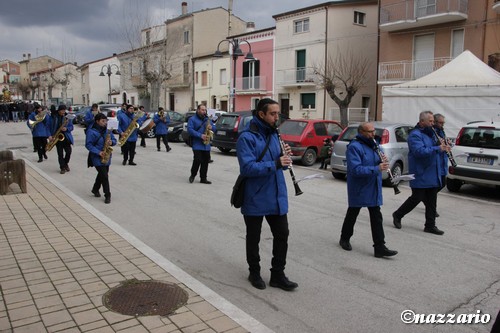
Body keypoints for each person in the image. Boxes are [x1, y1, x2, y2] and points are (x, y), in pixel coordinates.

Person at [236, 98, 298, 291]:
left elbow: (279, 163)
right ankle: (254, 272)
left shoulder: (274, 135)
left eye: (277, 113)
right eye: (272, 114)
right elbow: (247, 168)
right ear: (261, 114)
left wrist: (284, 158)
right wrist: (276, 163)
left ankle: (278, 275)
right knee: (253, 237)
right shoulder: (246, 137)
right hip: (255, 195)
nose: (276, 117)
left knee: (282, 234)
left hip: (276, 195)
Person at [339, 122, 398, 258]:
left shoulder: (374, 145)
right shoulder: (354, 147)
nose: (373, 134)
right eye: (370, 132)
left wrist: (383, 162)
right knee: (352, 213)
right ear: (361, 132)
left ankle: (379, 246)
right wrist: (377, 168)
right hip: (359, 186)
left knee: (376, 216)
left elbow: (377, 161)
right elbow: (355, 170)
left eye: (373, 131)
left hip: (373, 185)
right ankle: (345, 238)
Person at [392, 111, 450, 235]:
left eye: (433, 121)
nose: (432, 123)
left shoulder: (431, 134)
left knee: (432, 200)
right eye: (430, 121)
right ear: (422, 121)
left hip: (433, 171)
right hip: (421, 172)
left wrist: (444, 147)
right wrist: (437, 148)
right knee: (416, 198)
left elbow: (435, 150)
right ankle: (398, 214)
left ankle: (430, 225)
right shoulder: (415, 135)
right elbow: (419, 152)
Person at [85, 113, 117, 204]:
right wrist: (98, 152)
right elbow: (88, 145)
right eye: (103, 121)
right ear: (97, 121)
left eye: (105, 120)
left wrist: (111, 142)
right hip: (96, 156)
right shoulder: (91, 131)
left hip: (107, 155)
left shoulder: (108, 130)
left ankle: (95, 189)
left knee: (102, 174)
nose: (105, 122)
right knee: (105, 176)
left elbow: (114, 140)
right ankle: (107, 195)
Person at [187, 104, 215, 184]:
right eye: (202, 110)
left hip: (206, 145)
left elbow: (215, 128)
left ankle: (203, 178)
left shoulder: (207, 119)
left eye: (205, 110)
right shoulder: (192, 119)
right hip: (197, 144)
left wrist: (211, 127)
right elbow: (190, 130)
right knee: (197, 160)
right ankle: (193, 174)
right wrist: (200, 135)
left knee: (205, 162)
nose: (204, 111)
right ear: (198, 110)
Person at [433, 113, 449, 218]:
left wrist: (447, 145)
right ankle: (432, 208)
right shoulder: (433, 132)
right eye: (440, 123)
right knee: (434, 188)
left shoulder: (441, 131)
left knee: (442, 184)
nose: (442, 125)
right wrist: (439, 146)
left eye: (443, 123)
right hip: (436, 162)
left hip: (443, 161)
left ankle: (427, 199)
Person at [50, 105, 74, 174]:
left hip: (66, 137)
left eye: (64, 110)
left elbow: (71, 127)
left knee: (69, 152)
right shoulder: (54, 116)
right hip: (57, 137)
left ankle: (65, 163)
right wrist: (50, 135)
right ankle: (62, 167)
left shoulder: (67, 117)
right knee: (60, 154)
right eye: (62, 110)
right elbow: (49, 126)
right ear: (59, 110)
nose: (63, 112)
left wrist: (67, 129)